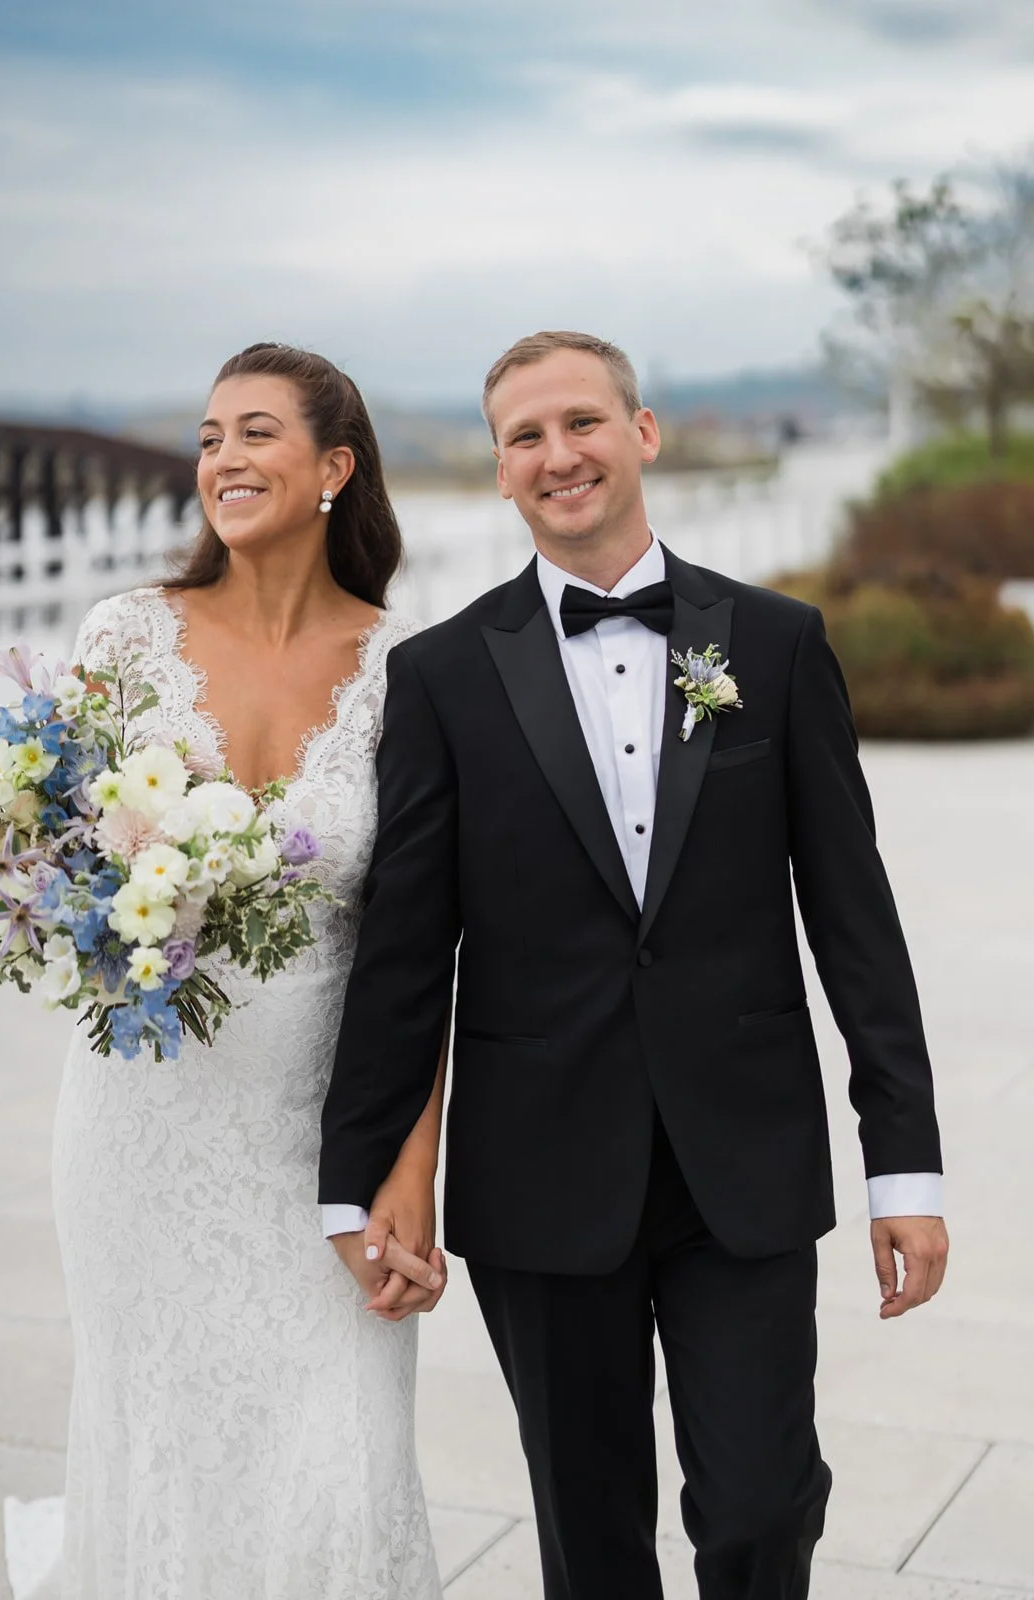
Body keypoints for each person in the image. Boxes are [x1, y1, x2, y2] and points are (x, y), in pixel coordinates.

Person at [319, 331, 950, 1600]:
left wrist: (905, 1162)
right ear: (498, 468)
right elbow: (404, 951)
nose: (559, 455)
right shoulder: (439, 676)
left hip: (744, 1161)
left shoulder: (774, 642)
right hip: (541, 1172)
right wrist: (360, 1178)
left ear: (643, 432)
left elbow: (855, 919)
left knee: (763, 1503)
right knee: (591, 1534)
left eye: (582, 422)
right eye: (525, 437)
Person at [25, 343, 446, 1599]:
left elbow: (422, 945)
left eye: (256, 432)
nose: (224, 459)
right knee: (154, 1431)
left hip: (321, 1126)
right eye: (210, 438)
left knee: (339, 1451)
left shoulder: (408, 669)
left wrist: (411, 1171)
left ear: (335, 468)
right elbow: (50, 854)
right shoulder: (123, 634)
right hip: (138, 1122)